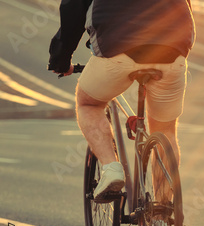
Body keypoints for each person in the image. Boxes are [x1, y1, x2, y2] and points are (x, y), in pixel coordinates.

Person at [48, 0, 195, 201]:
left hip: (118, 49)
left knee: (89, 104)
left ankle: (111, 168)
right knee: (165, 129)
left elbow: (72, 9)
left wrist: (61, 60)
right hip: (173, 50)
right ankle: (162, 210)